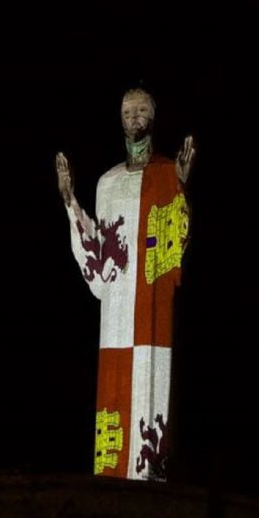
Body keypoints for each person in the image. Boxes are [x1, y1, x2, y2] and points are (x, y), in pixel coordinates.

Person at [56, 88, 194, 481]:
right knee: (115, 393)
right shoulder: (107, 182)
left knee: (151, 390)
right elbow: (99, 259)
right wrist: (70, 201)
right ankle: (111, 481)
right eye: (127, 110)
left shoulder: (167, 172)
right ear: (120, 119)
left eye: (142, 109)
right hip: (116, 314)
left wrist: (180, 189)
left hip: (152, 308)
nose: (134, 116)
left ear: (153, 117)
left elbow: (174, 247)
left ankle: (152, 479)